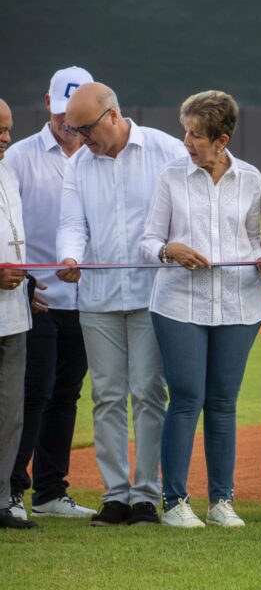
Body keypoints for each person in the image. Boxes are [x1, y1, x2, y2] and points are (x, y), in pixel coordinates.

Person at [139, 91, 261, 528]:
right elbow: (146, 242)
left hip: (240, 305)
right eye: (186, 132)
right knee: (186, 398)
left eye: (196, 135)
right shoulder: (170, 176)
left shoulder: (251, 178)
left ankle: (222, 502)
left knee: (222, 402)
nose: (186, 141)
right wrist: (169, 249)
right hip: (179, 304)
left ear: (222, 138)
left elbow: (254, 240)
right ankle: (175, 503)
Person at [57, 82, 188, 526]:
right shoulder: (78, 164)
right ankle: (116, 495)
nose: (80, 138)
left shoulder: (166, 150)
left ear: (112, 115)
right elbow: (73, 223)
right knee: (107, 395)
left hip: (153, 294)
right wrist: (70, 257)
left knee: (149, 393)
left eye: (85, 128)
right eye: (74, 130)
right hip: (97, 297)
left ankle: (146, 496)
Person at [4, 66, 94, 520]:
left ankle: (50, 491)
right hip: (33, 295)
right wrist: (22, 284)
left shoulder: (99, 155)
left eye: (75, 114)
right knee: (31, 393)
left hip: (83, 299)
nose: (68, 122)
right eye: (61, 112)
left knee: (66, 393)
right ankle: (13, 489)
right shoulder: (18, 157)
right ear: (47, 104)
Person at [0, 98, 38, 529]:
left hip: (13, 315)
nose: (7, 138)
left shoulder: (8, 170)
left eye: (8, 129)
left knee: (10, 412)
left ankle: (3, 500)